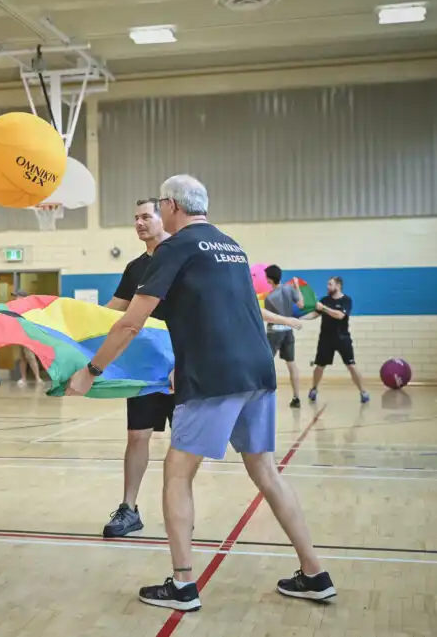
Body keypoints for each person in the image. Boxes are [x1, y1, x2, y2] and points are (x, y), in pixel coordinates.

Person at [66, 174, 336, 611]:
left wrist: (91, 370)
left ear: (171, 205)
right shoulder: (231, 246)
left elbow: (132, 321)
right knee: (265, 470)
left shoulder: (176, 248)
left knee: (177, 473)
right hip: (258, 372)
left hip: (214, 376)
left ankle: (182, 585)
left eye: (158, 206)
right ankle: (314, 573)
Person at [101, 198, 172, 538]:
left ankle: (178, 508)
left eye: (147, 216)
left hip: (184, 365)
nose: (140, 223)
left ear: (165, 217)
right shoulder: (134, 267)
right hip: (146, 368)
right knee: (137, 436)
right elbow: (113, 311)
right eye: (136, 218)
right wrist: (62, 317)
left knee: (185, 443)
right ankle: (129, 508)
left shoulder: (181, 257)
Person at [303, 276, 369, 404]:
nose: (327, 287)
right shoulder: (324, 300)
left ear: (338, 286)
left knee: (351, 365)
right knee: (320, 366)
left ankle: (363, 392)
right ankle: (314, 389)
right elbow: (314, 314)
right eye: (327, 284)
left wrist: (324, 308)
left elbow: (340, 315)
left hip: (342, 338)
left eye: (330, 284)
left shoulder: (346, 300)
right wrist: (299, 319)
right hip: (325, 338)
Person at [263, 265, 304, 408]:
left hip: (274, 331)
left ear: (268, 279)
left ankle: (264, 396)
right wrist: (297, 286)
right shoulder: (289, 289)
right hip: (288, 330)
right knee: (291, 363)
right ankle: (296, 397)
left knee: (265, 362)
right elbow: (301, 304)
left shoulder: (268, 297)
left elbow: (268, 317)